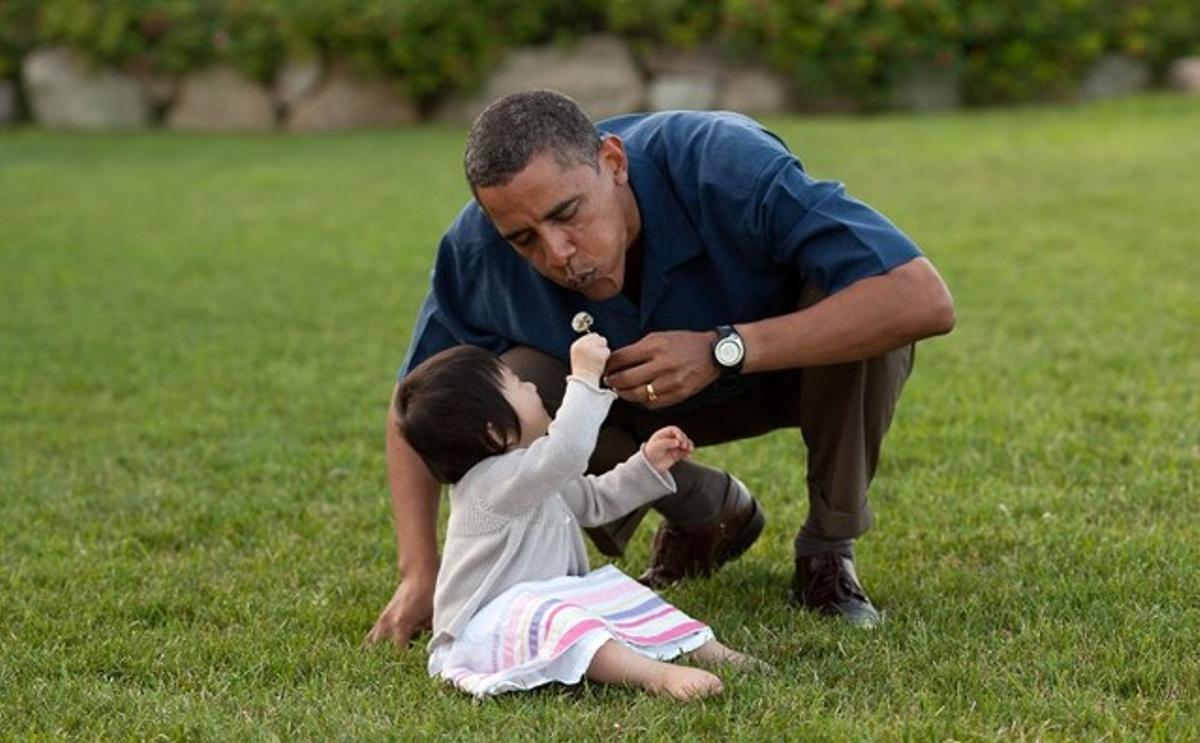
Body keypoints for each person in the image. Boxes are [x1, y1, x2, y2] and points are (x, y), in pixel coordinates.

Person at [367, 89, 955, 646]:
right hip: (631, 412)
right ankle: (707, 513)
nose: (558, 254)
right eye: (525, 239)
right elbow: (413, 404)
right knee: (512, 383)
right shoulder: (476, 251)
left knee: (854, 293)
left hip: (783, 376)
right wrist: (420, 570)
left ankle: (828, 549)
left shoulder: (722, 162)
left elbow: (920, 297)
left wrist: (724, 348)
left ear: (613, 162)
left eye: (567, 213)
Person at [398, 333, 757, 700]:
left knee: (618, 591)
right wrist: (584, 376)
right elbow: (568, 450)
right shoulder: (491, 483)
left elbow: (594, 501)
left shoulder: (529, 474)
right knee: (558, 615)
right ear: (497, 432)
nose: (532, 386)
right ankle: (654, 674)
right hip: (489, 628)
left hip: (546, 610)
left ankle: (709, 650)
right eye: (517, 385)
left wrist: (646, 465)